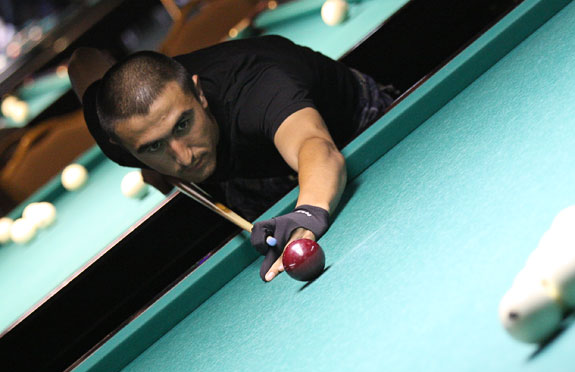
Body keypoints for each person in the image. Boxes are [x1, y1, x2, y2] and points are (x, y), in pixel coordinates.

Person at [73, 36, 394, 282]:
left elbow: (316, 146)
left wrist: (306, 214)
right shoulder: (116, 135)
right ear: (123, 145)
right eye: (154, 146)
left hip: (350, 128)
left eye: (183, 125)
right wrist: (148, 162)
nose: (184, 157)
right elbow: (81, 62)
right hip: (246, 171)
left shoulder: (257, 88)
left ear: (199, 94)